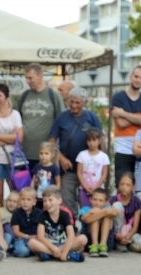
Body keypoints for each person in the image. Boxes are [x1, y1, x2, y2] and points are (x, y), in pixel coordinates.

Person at [49, 87, 102, 217]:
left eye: (77, 103)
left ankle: (87, 230)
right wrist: (60, 158)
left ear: (84, 103)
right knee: (66, 200)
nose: (73, 105)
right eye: (71, 102)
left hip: (89, 170)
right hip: (69, 168)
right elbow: (52, 140)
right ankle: (70, 228)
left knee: (89, 201)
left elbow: (101, 141)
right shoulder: (62, 117)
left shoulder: (91, 117)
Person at [110, 65, 141, 183]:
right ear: (130, 77)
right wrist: (139, 117)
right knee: (122, 185)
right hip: (122, 149)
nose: (138, 80)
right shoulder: (118, 97)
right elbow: (121, 123)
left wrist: (123, 113)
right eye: (136, 76)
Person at [18, 63, 64, 169]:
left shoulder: (53, 96)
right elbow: (18, 120)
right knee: (26, 185)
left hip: (46, 155)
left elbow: (61, 122)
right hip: (25, 153)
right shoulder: (24, 96)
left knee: (45, 184)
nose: (28, 81)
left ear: (40, 76)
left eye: (30, 78)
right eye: (26, 78)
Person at [29, 185, 86, 261]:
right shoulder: (42, 215)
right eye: (45, 201)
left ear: (59, 200)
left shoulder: (65, 215)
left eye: (50, 200)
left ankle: (50, 255)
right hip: (48, 245)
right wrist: (54, 249)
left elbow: (71, 236)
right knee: (31, 242)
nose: (47, 203)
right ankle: (66, 255)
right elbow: (41, 237)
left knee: (83, 239)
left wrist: (64, 251)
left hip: (64, 244)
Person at [76, 129, 110, 209]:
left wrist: (96, 187)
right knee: (85, 209)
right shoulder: (82, 155)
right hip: (84, 189)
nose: (91, 143)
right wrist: (85, 187)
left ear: (99, 141)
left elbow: (104, 174)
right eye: (89, 140)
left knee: (98, 208)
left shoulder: (104, 156)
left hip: (99, 190)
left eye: (94, 140)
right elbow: (79, 172)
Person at [110, 173, 141, 252]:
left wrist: (129, 236)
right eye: (122, 184)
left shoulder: (136, 202)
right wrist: (119, 236)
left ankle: (126, 243)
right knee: (117, 205)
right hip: (115, 233)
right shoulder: (112, 200)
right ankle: (118, 241)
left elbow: (135, 226)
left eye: (127, 185)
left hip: (129, 232)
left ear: (133, 186)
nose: (124, 187)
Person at [79, 188, 116, 257]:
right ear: (90, 199)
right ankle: (95, 246)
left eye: (101, 200)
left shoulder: (107, 208)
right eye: (95, 199)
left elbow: (115, 212)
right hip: (89, 242)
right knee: (94, 219)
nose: (97, 203)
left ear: (105, 202)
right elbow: (86, 220)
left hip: (107, 243)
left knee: (108, 217)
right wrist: (90, 212)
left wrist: (101, 212)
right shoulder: (86, 209)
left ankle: (103, 246)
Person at [32, 142, 62, 209]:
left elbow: (58, 182)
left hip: (49, 197)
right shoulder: (37, 166)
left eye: (46, 153)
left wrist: (55, 194)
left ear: (52, 155)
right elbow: (33, 180)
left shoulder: (54, 168)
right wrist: (31, 193)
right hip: (38, 196)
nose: (43, 156)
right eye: (41, 153)